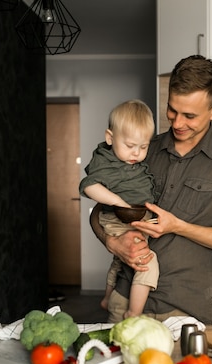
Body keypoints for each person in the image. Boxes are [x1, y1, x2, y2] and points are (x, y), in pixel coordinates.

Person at [89, 55, 212, 324]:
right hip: (123, 300)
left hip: (183, 309)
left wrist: (178, 226)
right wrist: (112, 242)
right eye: (172, 110)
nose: (177, 123)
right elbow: (99, 211)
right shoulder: (143, 149)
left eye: (189, 115)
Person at [80, 99, 158, 319]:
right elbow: (88, 186)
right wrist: (119, 203)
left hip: (137, 218)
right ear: (110, 138)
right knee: (147, 263)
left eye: (143, 147)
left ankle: (106, 298)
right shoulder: (105, 162)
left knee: (119, 260)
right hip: (116, 218)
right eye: (130, 146)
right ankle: (133, 313)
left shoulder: (132, 163)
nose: (136, 154)